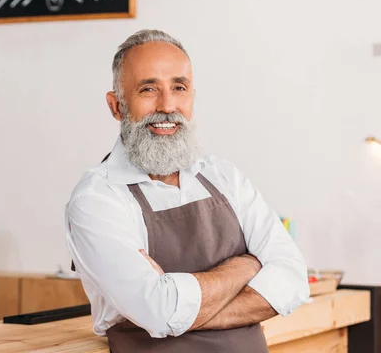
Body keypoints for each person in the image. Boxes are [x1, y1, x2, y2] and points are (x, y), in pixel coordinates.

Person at [65, 29, 309, 352]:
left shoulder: (225, 177)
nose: (167, 105)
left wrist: (182, 307)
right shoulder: (97, 199)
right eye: (148, 89)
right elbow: (160, 310)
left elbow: (293, 279)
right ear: (116, 107)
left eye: (179, 88)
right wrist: (247, 265)